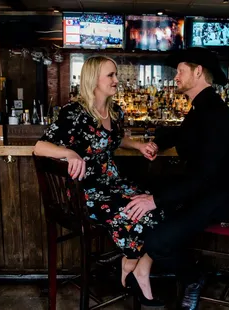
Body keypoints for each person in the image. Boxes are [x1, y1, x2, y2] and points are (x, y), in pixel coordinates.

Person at [33, 55, 165, 307]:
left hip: (112, 184)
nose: (117, 80)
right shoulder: (74, 113)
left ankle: (132, 262)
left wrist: (137, 145)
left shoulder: (114, 111)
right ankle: (135, 265)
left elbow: (115, 139)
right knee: (137, 213)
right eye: (111, 75)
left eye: (116, 75)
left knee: (156, 205)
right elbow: (40, 146)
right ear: (94, 79)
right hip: (87, 193)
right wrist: (69, 153)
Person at [123, 47, 229, 309]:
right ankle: (141, 265)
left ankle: (194, 277)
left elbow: (206, 176)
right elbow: (183, 133)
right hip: (204, 190)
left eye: (180, 71)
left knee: (157, 239)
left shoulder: (213, 112)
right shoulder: (203, 106)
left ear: (198, 72)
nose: (175, 77)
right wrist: (157, 142)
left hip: (219, 198)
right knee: (144, 196)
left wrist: (156, 201)